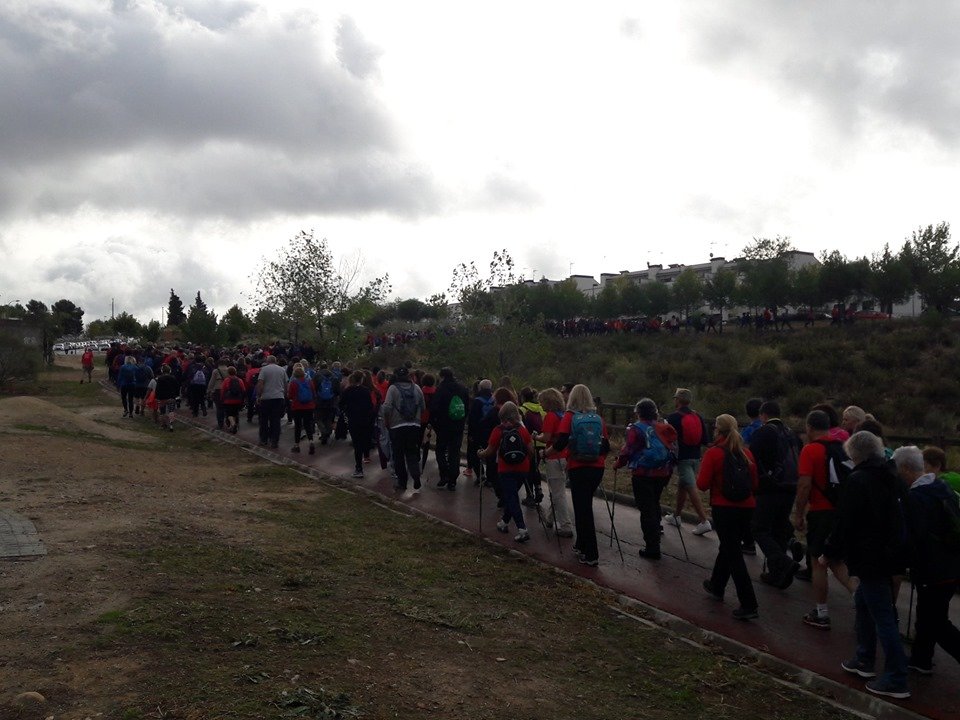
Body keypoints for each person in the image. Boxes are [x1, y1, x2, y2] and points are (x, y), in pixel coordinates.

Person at [822, 431, 910, 700]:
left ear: (854, 454)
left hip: (869, 556)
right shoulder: (893, 477)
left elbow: (845, 522)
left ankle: (897, 677)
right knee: (863, 603)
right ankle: (864, 658)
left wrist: (829, 552)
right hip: (890, 553)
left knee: (883, 617)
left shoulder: (858, 480)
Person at [893, 445, 960, 675]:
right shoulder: (941, 486)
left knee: (936, 622)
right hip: (950, 562)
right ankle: (921, 660)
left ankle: (923, 658)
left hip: (933, 566)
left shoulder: (916, 497)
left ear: (905, 469)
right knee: (928, 613)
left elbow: (914, 536)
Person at [792, 410, 855, 630]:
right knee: (836, 560)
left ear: (809, 427)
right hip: (842, 512)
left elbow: (804, 485)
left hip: (821, 512)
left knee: (818, 561)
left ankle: (821, 612)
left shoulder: (811, 450)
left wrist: (799, 514)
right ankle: (864, 600)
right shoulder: (842, 449)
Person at [697, 414, 760, 620]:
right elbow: (755, 484)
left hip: (724, 507)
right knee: (729, 546)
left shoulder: (714, 453)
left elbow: (702, 484)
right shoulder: (746, 453)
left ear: (717, 430)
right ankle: (717, 585)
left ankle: (749, 603)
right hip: (747, 507)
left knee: (733, 553)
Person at [552, 384, 610, 567]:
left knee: (581, 508)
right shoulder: (598, 419)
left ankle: (591, 552)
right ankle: (581, 544)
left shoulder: (569, 417)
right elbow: (606, 446)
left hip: (578, 466)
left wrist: (547, 453)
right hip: (597, 467)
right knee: (585, 505)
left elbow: (561, 443)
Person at [748, 400, 802, 589]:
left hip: (769, 488)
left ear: (763, 415)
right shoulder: (792, 433)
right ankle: (777, 574)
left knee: (759, 528)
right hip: (790, 488)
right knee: (779, 527)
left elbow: (751, 459)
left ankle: (782, 563)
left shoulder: (763, 432)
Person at [615, 398, 677, 560]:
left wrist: (618, 464)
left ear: (638, 412)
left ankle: (652, 547)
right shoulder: (663, 427)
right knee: (654, 502)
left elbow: (628, 451)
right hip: (662, 473)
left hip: (643, 474)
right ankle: (657, 530)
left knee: (646, 509)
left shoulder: (635, 429)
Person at [478, 401, 534, 543]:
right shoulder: (522, 430)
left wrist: (480, 454)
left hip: (506, 469)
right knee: (512, 496)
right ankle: (504, 522)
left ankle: (522, 529)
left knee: (511, 498)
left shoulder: (499, 430)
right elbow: (531, 451)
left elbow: (490, 451)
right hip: (523, 468)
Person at [665, 388, 711, 535]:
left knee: (690, 487)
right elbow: (705, 440)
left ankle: (704, 521)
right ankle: (676, 516)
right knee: (683, 485)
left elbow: (665, 437)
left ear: (677, 400)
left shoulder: (673, 417)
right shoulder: (697, 416)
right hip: (696, 457)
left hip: (682, 457)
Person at [535, 388, 573, 538]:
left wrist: (536, 437)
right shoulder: (563, 415)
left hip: (553, 456)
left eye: (542, 401)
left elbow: (546, 438)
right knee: (557, 490)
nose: (540, 405)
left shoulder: (550, 416)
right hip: (566, 456)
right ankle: (550, 518)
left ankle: (566, 525)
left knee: (558, 493)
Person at [383, 367, 426, 491]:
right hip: (414, 426)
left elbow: (386, 408)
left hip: (397, 426)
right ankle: (416, 477)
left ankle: (402, 482)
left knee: (398, 455)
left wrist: (387, 419)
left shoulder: (393, 388)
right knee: (412, 453)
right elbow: (423, 407)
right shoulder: (417, 388)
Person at [430, 367, 470, 490]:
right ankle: (453, 479)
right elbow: (467, 407)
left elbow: (434, 409)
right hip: (458, 425)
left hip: (443, 426)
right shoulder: (463, 388)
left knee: (440, 450)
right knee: (455, 452)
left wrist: (435, 425)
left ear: (442, 376)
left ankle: (444, 474)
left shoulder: (441, 389)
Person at [340, 370, 375, 478]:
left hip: (353, 419)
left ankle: (359, 468)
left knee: (357, 444)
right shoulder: (365, 391)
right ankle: (366, 455)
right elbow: (370, 406)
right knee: (365, 439)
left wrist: (347, 411)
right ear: (361, 380)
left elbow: (341, 404)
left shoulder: (348, 390)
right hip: (365, 419)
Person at [256, 355, 288, 449]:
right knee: (276, 420)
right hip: (278, 397)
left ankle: (264, 439)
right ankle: (275, 441)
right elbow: (286, 384)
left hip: (266, 397)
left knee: (264, 420)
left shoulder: (264, 370)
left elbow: (260, 383)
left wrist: (258, 396)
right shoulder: (282, 370)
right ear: (276, 361)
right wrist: (284, 395)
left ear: (267, 361)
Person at [287, 365, 317, 454]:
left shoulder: (293, 383)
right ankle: (311, 442)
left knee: (298, 426)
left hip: (297, 407)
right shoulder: (309, 382)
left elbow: (290, 395)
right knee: (308, 425)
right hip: (309, 406)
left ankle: (296, 445)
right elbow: (314, 393)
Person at [219, 366, 246, 434]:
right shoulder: (239, 380)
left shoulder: (226, 380)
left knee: (229, 414)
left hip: (228, 400)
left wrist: (222, 398)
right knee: (235, 413)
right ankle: (232, 427)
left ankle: (233, 425)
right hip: (237, 400)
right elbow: (243, 390)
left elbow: (223, 390)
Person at [154, 364, 180, 432]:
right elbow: (177, 388)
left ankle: (163, 425)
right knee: (171, 411)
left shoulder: (160, 379)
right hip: (171, 397)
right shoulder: (173, 378)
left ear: (162, 371)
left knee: (162, 412)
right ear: (170, 371)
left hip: (162, 398)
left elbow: (158, 389)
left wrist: (156, 397)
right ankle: (171, 425)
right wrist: (177, 396)